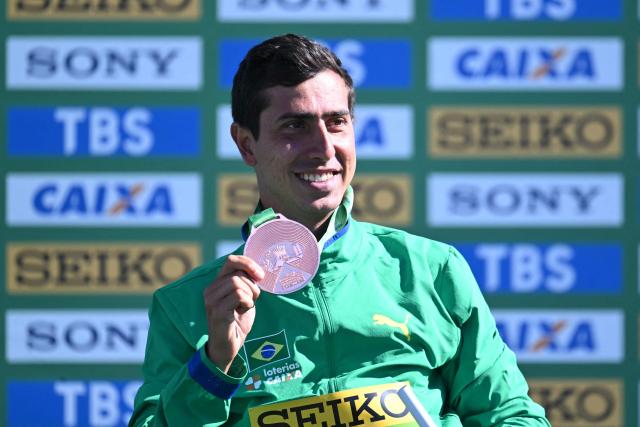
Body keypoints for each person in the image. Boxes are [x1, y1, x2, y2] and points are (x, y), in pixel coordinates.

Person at [129, 34, 550, 426]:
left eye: (336, 122)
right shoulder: (189, 305)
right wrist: (215, 363)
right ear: (246, 144)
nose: (324, 148)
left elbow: (513, 415)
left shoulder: (431, 270)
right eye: (294, 125)